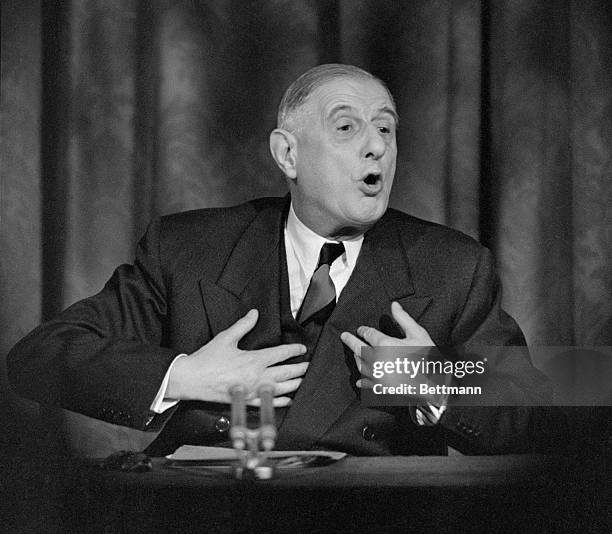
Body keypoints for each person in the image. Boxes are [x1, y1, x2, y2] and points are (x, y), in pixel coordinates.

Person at [7, 64, 560, 456]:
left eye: (386, 128)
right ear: (287, 154)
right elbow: (40, 358)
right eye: (348, 128)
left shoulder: (452, 267)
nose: (377, 147)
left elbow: (538, 413)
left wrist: (433, 379)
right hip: (198, 530)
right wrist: (186, 375)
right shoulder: (188, 249)